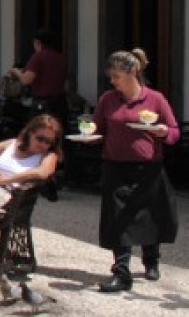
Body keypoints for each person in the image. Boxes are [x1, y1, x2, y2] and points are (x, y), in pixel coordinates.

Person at [89, 49, 179, 293]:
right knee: (118, 218)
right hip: (115, 166)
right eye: (111, 76)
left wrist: (163, 132)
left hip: (147, 166)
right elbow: (98, 128)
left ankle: (151, 260)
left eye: (117, 76)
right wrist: (90, 135)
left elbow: (173, 132)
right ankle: (121, 272)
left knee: (149, 214)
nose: (112, 81)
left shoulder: (155, 99)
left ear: (133, 72)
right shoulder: (108, 99)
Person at [8, 29, 68, 124]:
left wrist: (15, 72)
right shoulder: (60, 58)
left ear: (37, 42)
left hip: (43, 104)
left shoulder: (38, 57)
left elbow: (26, 80)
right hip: (60, 102)